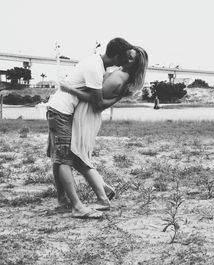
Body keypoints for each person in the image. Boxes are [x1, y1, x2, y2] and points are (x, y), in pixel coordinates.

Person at [46, 37, 133, 219]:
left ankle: (62, 201)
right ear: (116, 55)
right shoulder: (95, 68)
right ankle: (77, 206)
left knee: (58, 157)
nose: (124, 62)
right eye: (123, 58)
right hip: (62, 111)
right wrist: (118, 98)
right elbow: (97, 102)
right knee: (63, 159)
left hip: (59, 109)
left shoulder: (95, 63)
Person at [60, 46, 148, 212]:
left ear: (134, 64)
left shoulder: (119, 77)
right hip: (86, 113)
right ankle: (105, 189)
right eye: (128, 54)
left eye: (131, 57)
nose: (126, 57)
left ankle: (103, 199)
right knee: (77, 155)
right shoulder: (120, 74)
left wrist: (70, 89)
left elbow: (95, 101)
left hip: (87, 114)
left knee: (79, 156)